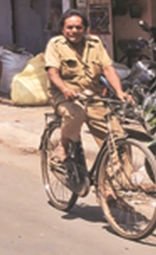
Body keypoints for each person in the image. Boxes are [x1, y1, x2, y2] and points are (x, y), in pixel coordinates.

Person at [44, 9, 131, 165]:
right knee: (75, 114)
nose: (74, 31)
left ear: (85, 29)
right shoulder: (55, 45)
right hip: (64, 95)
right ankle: (64, 144)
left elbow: (108, 69)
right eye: (69, 27)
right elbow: (53, 73)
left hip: (92, 96)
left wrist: (119, 92)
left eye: (78, 27)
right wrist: (65, 90)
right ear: (63, 29)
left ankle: (116, 185)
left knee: (118, 139)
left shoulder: (95, 43)